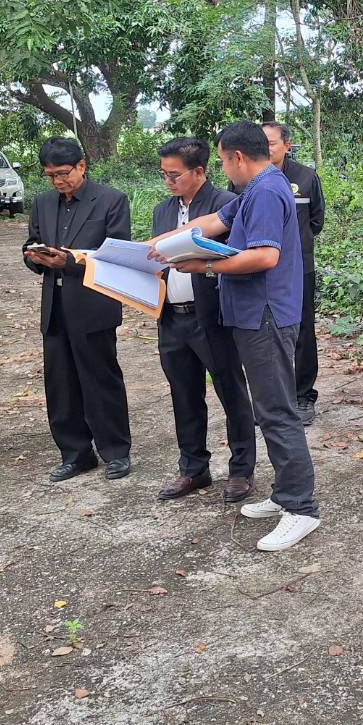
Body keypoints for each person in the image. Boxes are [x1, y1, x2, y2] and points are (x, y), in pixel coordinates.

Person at [150, 122, 320, 552]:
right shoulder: (254, 189)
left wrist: (204, 266)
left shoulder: (267, 191)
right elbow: (212, 221)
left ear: (237, 157)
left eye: (224, 161)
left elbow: (265, 256)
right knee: (267, 407)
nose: (223, 170)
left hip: (266, 315)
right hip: (250, 315)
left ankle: (301, 507)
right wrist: (156, 245)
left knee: (277, 411)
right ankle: (284, 493)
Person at [150, 137, 257, 503]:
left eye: (174, 175)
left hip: (213, 316)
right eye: (164, 174)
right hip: (172, 317)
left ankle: (241, 469)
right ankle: (193, 468)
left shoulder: (226, 205)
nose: (168, 182)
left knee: (231, 391)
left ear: (199, 171)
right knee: (184, 395)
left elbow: (239, 256)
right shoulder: (162, 211)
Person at [23, 136, 133, 483]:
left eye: (63, 173)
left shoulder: (111, 200)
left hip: (93, 304)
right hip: (55, 306)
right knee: (61, 385)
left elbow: (118, 255)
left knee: (100, 380)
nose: (58, 181)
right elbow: (31, 241)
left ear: (81, 166)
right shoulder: (42, 203)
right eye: (50, 175)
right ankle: (75, 454)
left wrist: (69, 262)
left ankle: (116, 452)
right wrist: (36, 256)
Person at [263, 122, 324, 425]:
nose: (265, 148)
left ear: (287, 145)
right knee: (264, 330)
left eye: (271, 143)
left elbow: (316, 221)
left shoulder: (306, 177)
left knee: (302, 331)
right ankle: (272, 397)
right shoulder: (246, 179)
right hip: (260, 268)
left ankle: (302, 396)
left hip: (299, 268)